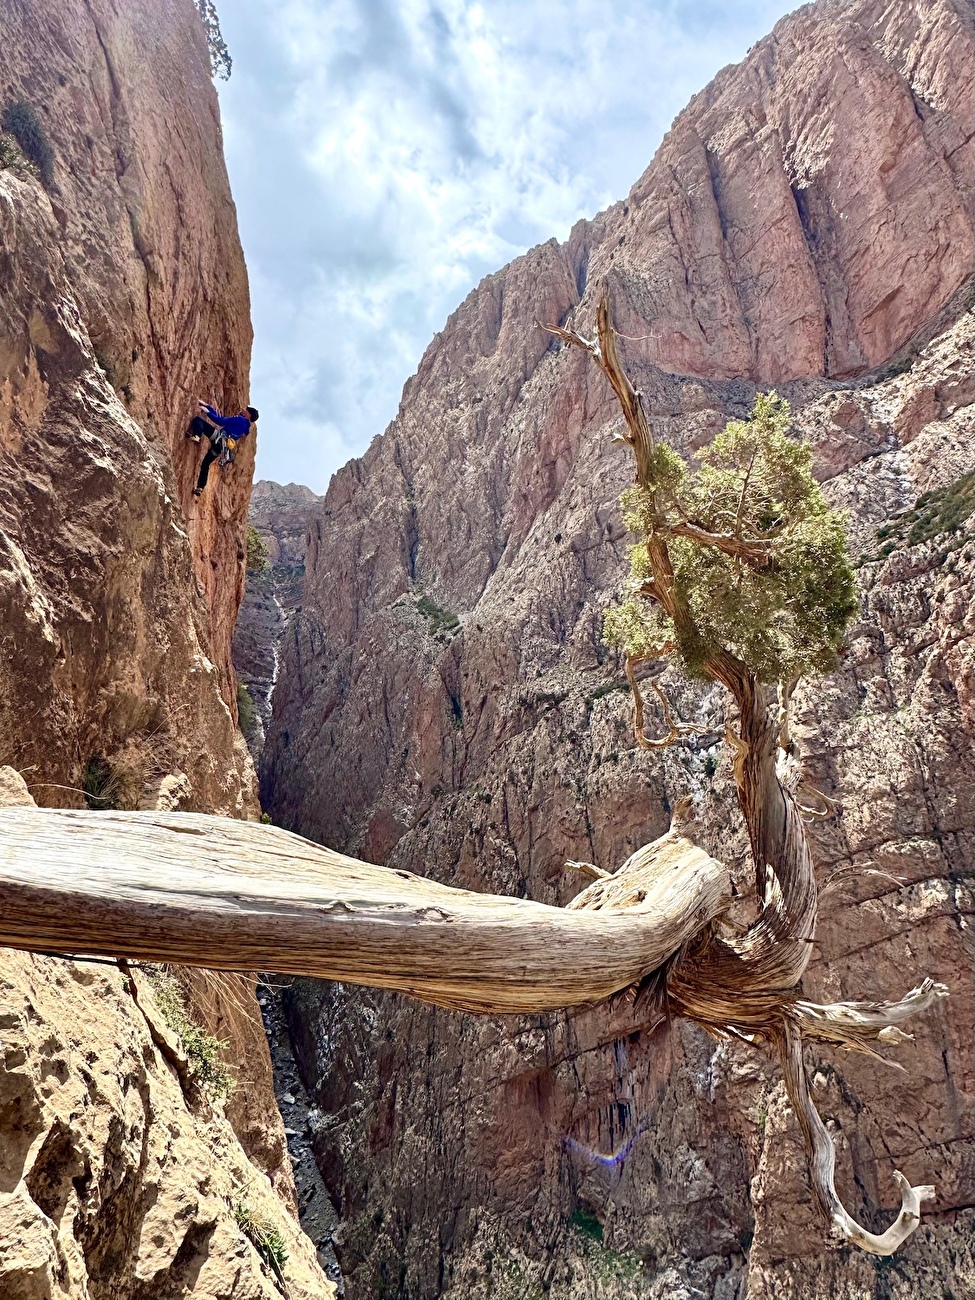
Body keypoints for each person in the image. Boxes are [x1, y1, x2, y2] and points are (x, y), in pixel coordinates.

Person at [186, 401, 259, 496]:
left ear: (248, 415)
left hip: (218, 438)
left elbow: (221, 421)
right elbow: (221, 418)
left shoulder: (240, 419)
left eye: (246, 410)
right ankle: (200, 487)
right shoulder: (245, 427)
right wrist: (208, 407)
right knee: (205, 464)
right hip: (221, 448)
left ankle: (197, 435)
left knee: (198, 420)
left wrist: (207, 412)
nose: (243, 410)